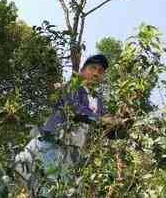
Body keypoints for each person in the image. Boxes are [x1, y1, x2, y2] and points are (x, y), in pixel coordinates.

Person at [13, 54, 123, 197]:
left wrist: (120, 124)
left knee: (51, 190)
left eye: (101, 71)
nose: (96, 73)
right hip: (51, 142)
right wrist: (102, 120)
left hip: (72, 152)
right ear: (83, 71)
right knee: (19, 168)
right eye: (93, 68)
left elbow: (109, 129)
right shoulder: (73, 86)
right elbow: (75, 110)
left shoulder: (98, 101)